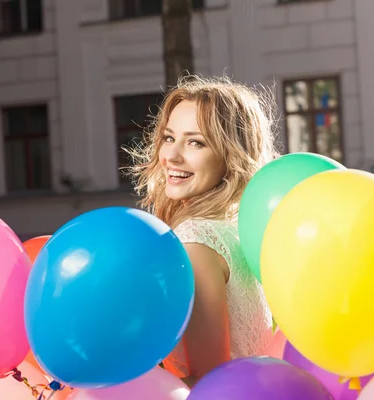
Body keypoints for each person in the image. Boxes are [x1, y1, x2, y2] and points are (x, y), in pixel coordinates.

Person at [127, 75, 284, 387]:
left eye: (195, 142)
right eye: (169, 138)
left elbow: (209, 381)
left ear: (231, 154)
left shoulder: (196, 241)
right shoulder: (244, 227)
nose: (171, 156)